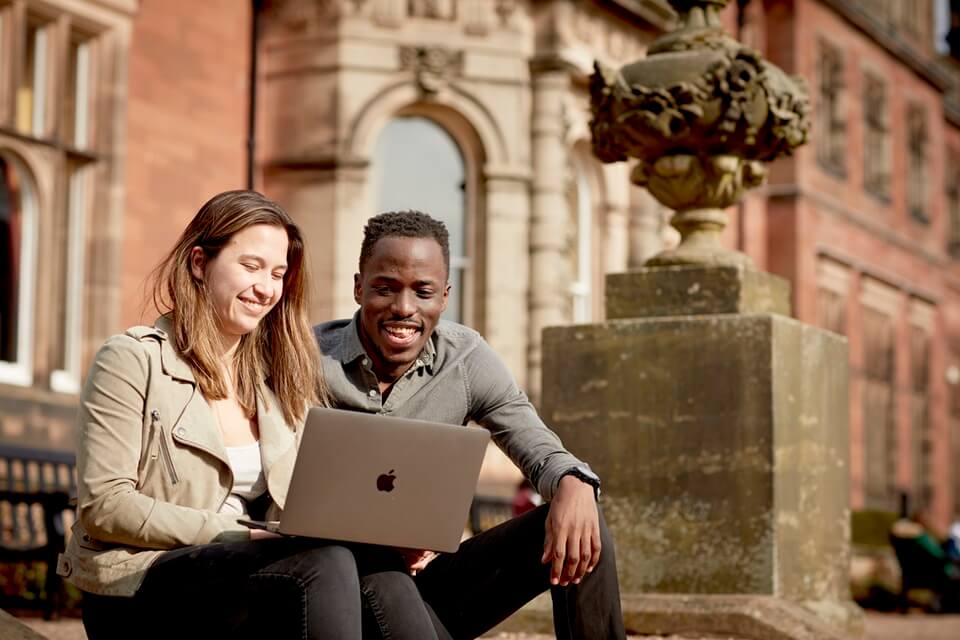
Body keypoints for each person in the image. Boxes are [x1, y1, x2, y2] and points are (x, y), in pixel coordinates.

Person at [59, 191, 439, 640]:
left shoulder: (278, 380)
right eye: (251, 266)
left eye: (278, 274)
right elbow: (106, 506)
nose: (266, 288)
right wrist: (242, 535)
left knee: (374, 562)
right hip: (139, 588)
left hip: (248, 582)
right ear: (199, 263)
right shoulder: (131, 359)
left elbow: (309, 503)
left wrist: (379, 532)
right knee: (328, 561)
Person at [315, 210, 626, 639]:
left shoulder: (466, 358)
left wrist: (573, 481)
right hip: (333, 591)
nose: (403, 308)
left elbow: (535, 443)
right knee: (378, 571)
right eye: (385, 289)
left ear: (444, 296)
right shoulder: (308, 358)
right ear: (358, 288)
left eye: (422, 292)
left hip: (431, 588)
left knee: (583, 523)